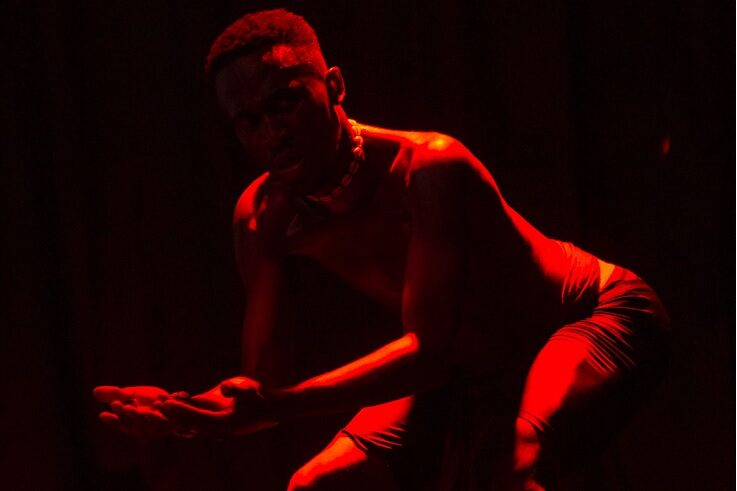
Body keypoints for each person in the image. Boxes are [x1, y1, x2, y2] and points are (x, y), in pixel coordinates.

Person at [94, 9, 671, 490]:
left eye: (285, 103)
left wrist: (275, 404)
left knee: (515, 462)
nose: (271, 132)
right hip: (467, 365)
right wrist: (185, 414)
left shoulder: (430, 168)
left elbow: (427, 351)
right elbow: (262, 386)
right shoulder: (261, 218)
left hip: (588, 315)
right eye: (248, 121)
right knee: (314, 484)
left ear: (334, 87)